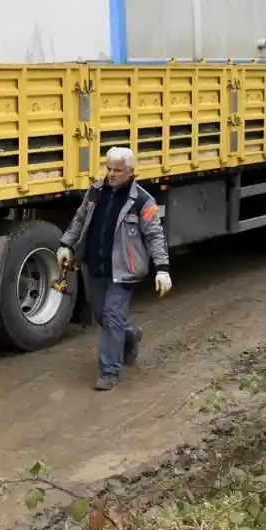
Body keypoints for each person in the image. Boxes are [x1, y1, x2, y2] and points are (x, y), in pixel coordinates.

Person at [59, 147, 172, 391]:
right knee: (102, 315)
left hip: (125, 271)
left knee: (111, 317)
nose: (111, 174)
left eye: (117, 171)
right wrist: (66, 245)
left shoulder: (143, 201)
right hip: (97, 267)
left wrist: (162, 268)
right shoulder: (96, 192)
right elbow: (79, 220)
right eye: (108, 169)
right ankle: (129, 336)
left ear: (130, 172)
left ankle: (109, 371)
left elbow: (155, 235)